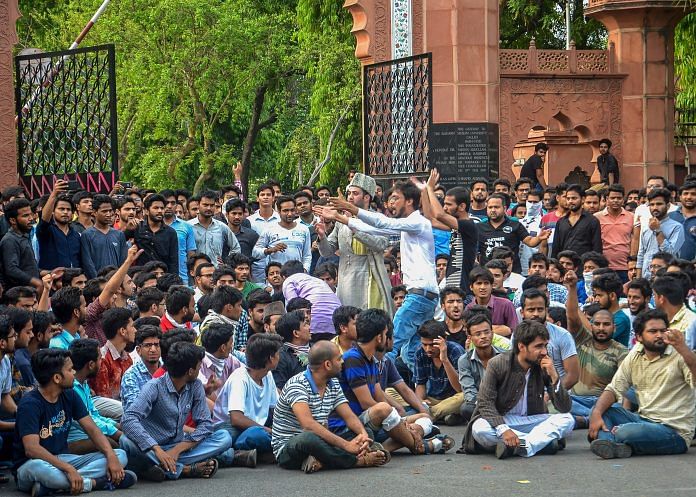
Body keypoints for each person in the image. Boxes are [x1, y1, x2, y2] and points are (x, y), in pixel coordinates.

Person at [323, 182, 439, 371]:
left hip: (419, 296)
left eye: (395, 198)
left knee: (388, 346)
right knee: (411, 352)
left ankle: (376, 387)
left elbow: (382, 223)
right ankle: (420, 392)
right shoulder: (409, 225)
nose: (390, 203)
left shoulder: (417, 222)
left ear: (409, 201)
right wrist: (341, 218)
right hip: (424, 296)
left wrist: (350, 209)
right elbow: (375, 229)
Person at [330, 309, 454, 455]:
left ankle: (382, 449)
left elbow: (379, 396)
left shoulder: (371, 359)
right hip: (350, 426)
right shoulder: (353, 358)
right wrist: (400, 421)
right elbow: (366, 403)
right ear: (379, 338)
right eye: (386, 333)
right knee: (384, 409)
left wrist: (401, 423)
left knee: (424, 417)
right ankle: (423, 446)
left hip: (374, 422)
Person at [13, 349, 135, 495]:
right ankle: (98, 483)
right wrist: (68, 469)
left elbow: (92, 429)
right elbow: (32, 449)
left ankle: (55, 486)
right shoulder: (30, 404)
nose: (74, 374)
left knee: (120, 455)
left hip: (64, 458)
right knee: (43, 470)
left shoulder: (69, 394)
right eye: (70, 370)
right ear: (57, 378)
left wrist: (110, 456)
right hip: (32, 464)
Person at [587, 309, 696, 458]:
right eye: (653, 331)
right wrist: (597, 414)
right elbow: (614, 388)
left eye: (663, 330)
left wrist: (683, 348)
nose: (659, 335)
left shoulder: (680, 354)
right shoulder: (636, 354)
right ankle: (613, 445)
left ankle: (606, 439)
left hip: (674, 432)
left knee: (625, 431)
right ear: (639, 337)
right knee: (599, 409)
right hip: (643, 420)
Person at [120, 342, 234, 480]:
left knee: (224, 437)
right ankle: (184, 469)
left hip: (180, 445)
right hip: (151, 447)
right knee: (126, 441)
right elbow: (128, 419)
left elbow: (205, 424)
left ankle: (161, 466)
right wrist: (157, 449)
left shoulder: (195, 386)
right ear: (190, 371)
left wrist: (177, 450)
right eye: (199, 366)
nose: (200, 369)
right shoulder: (154, 387)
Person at [271, 341, 389, 473]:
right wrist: (346, 445)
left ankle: (322, 461)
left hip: (321, 443)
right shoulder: (297, 385)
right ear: (327, 364)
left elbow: (349, 416)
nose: (343, 362)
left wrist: (363, 435)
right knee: (308, 439)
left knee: (366, 432)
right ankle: (358, 461)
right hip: (290, 447)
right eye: (339, 359)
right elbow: (308, 425)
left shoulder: (333, 383)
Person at [464, 320, 574, 458]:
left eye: (545, 345)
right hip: (503, 420)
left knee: (567, 419)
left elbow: (564, 407)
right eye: (539, 346)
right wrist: (503, 430)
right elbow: (485, 403)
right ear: (521, 346)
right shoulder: (498, 364)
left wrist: (555, 377)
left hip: (531, 420)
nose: (544, 351)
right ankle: (542, 441)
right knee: (480, 429)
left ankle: (522, 446)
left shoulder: (544, 363)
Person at [317, 173, 393, 314]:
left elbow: (380, 245)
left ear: (367, 197)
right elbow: (328, 251)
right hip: (346, 279)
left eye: (355, 193)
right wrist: (322, 237)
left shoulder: (378, 219)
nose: (350, 197)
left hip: (370, 275)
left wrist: (352, 225)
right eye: (349, 193)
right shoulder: (341, 219)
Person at [563, 270, 627, 429]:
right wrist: (571, 288)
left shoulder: (621, 352)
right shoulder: (582, 339)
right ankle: (587, 418)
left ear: (614, 327)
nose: (601, 328)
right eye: (597, 324)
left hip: (602, 402)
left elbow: (625, 388)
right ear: (591, 325)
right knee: (555, 401)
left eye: (606, 325)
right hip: (577, 400)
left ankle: (585, 419)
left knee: (614, 410)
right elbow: (572, 316)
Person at [213, 334, 283, 461]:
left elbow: (276, 408)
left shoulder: (267, 376)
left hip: (253, 425)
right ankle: (235, 454)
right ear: (270, 359)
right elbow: (236, 418)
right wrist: (270, 431)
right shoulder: (240, 378)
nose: (279, 357)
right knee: (257, 435)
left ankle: (253, 453)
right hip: (229, 428)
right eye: (277, 354)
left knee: (275, 433)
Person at [418, 169, 478, 303]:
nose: (444, 208)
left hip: (463, 292)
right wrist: (425, 191)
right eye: (444, 204)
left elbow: (439, 215)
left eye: (448, 204)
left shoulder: (468, 225)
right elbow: (430, 218)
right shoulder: (454, 226)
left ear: (462, 206)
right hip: (452, 288)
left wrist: (430, 189)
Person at [67, 339, 122, 454]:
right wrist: (116, 432)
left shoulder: (83, 382)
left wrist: (117, 426)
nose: (101, 361)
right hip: (76, 439)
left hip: (89, 431)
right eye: (99, 358)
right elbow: (90, 422)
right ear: (91, 365)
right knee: (115, 445)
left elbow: (94, 414)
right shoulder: (71, 388)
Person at [520, 289, 579, 390]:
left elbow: (573, 376)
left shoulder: (563, 335)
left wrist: (551, 394)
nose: (536, 314)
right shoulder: (517, 336)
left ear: (546, 311)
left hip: (557, 395)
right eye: (531, 310)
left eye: (540, 309)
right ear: (522, 312)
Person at [477, 193, 550, 273]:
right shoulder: (479, 227)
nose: (493, 210)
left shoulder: (515, 225)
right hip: (488, 273)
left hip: (513, 272)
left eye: (496, 207)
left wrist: (539, 238)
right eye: (490, 207)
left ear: (504, 209)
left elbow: (530, 242)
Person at [457, 314, 508, 424]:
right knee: (466, 408)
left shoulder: (506, 356)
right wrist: (485, 405)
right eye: (478, 334)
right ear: (470, 338)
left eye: (486, 332)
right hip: (479, 403)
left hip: (504, 402)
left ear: (492, 333)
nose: (483, 336)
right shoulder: (464, 360)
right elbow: (469, 391)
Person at [413, 320, 465, 425]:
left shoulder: (456, 350)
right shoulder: (420, 353)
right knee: (391, 392)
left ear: (443, 340)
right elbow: (420, 383)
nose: (428, 349)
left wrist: (445, 359)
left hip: (453, 399)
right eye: (424, 344)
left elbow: (460, 388)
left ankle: (428, 414)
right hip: (433, 399)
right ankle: (440, 414)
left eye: (432, 345)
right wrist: (420, 401)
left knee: (465, 397)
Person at [280, 260, 342, 342]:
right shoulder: (317, 281)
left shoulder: (289, 281)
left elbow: (294, 306)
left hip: (314, 326)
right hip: (335, 324)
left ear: (284, 277)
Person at [253, 196, 312, 273]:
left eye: (292, 210)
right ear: (279, 212)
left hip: (297, 276)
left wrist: (304, 270)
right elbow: (255, 252)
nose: (290, 214)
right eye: (285, 211)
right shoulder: (269, 229)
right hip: (276, 276)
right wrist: (271, 250)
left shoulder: (304, 229)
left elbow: (307, 255)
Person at [635, 188, 684, 279]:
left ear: (668, 206)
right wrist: (638, 280)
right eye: (652, 204)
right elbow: (641, 254)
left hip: (667, 278)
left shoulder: (677, 227)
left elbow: (670, 253)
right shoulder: (646, 227)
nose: (655, 208)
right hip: (647, 277)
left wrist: (658, 230)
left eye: (659, 204)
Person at [127, 194, 179, 275]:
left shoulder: (170, 232)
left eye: (162, 208)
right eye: (156, 208)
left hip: (162, 277)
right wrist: (128, 229)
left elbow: (174, 261)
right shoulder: (137, 228)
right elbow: (121, 241)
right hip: (141, 277)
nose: (159, 211)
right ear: (147, 211)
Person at [90, 308, 135, 401]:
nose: (135, 330)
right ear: (122, 331)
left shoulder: (127, 358)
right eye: (132, 326)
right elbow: (104, 400)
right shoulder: (102, 360)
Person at [35, 180, 81, 271]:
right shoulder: (46, 231)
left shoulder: (76, 235)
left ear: (72, 213)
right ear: (53, 211)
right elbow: (44, 220)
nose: (65, 212)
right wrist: (54, 193)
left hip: (74, 279)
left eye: (68, 210)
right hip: (53, 280)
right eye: (61, 209)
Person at [80, 195, 128, 279]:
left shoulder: (119, 234)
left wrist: (118, 280)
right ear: (94, 212)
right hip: (96, 283)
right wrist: (97, 282)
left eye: (110, 211)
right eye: (104, 211)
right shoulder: (87, 235)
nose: (108, 214)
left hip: (116, 281)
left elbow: (123, 261)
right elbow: (88, 263)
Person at [188, 190, 240, 268]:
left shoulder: (221, 227)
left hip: (217, 273)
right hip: (194, 273)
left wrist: (227, 263)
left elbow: (236, 247)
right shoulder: (188, 226)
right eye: (205, 205)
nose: (209, 208)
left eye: (212, 205)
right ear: (198, 205)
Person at [0, 198, 42, 293]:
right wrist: (35, 282)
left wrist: (48, 273)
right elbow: (11, 269)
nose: (31, 218)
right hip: (21, 296)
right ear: (13, 220)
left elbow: (27, 267)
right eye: (25, 216)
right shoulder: (9, 240)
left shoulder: (24, 237)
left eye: (31, 214)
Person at [551, 184, 603, 258]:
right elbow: (556, 248)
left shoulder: (592, 221)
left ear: (583, 199)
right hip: (564, 265)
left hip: (584, 266)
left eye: (574, 198)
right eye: (568, 198)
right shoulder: (561, 222)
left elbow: (597, 248)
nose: (570, 201)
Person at [595, 184, 633, 282]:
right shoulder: (596, 218)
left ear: (623, 199)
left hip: (625, 267)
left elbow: (635, 240)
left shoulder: (632, 217)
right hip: (604, 267)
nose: (615, 200)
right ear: (607, 199)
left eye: (619, 198)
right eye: (612, 198)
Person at [467, 267, 518, 337]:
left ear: (491, 286)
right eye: (479, 283)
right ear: (471, 287)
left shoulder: (506, 304)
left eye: (486, 283)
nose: (482, 287)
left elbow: (514, 331)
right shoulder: (469, 308)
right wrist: (499, 329)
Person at [120, 326, 162, 412]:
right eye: (148, 345)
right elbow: (136, 410)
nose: (153, 350)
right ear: (139, 350)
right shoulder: (131, 376)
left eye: (157, 345)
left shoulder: (168, 371)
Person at [199, 323, 242, 401]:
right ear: (223, 347)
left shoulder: (230, 359)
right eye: (231, 343)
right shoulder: (198, 363)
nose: (232, 346)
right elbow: (204, 391)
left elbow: (245, 373)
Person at [162, 189, 197, 282]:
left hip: (182, 277)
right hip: (160, 277)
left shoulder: (186, 226)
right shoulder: (153, 226)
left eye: (173, 203)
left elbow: (191, 254)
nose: (169, 206)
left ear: (177, 205)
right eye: (166, 203)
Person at [273, 311, 312, 390]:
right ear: (296, 333)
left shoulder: (317, 349)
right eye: (305, 325)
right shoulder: (280, 357)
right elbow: (281, 389)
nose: (309, 327)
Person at [591, 273, 632, 347]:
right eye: (595, 295)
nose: (596, 299)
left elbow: (591, 336)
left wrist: (576, 309)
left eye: (600, 295)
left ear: (612, 296)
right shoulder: (598, 315)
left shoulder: (621, 319)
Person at [669, 181, 696, 260]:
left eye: (693, 194)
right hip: (672, 267)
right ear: (680, 197)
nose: (689, 197)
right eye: (685, 193)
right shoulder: (670, 217)